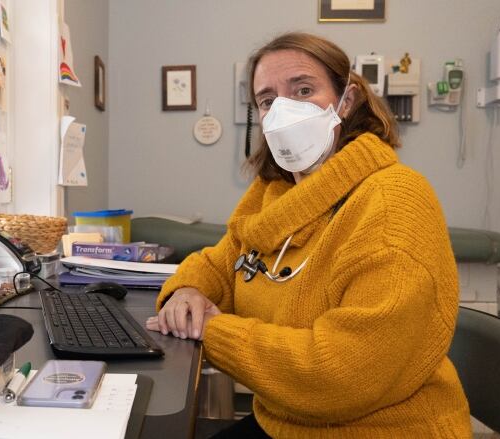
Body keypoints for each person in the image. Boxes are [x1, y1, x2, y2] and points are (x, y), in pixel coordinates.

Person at [146, 32, 471, 438]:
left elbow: (343, 374)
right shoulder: (275, 195)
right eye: (268, 101)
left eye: (303, 89)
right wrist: (188, 291)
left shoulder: (392, 202)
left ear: (346, 102)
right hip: (286, 422)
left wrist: (212, 331)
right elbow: (221, 261)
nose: (284, 110)